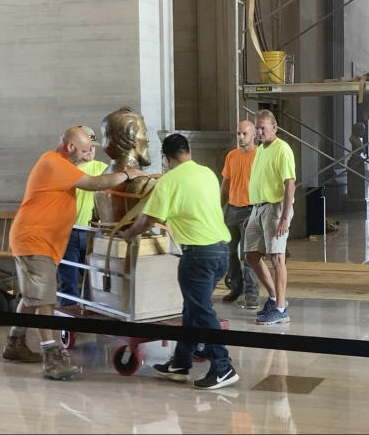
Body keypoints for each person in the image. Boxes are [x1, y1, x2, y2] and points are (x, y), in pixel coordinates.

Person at [3, 126, 146, 380]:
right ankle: (52, 358)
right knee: (45, 301)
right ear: (70, 147)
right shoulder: (53, 162)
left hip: (40, 241)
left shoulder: (60, 163)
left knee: (32, 298)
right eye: (83, 150)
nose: (87, 154)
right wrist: (127, 173)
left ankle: (15, 343)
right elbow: (94, 184)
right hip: (34, 241)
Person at [121, 133, 240, 390]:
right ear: (188, 151)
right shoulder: (207, 173)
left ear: (166, 158)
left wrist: (127, 234)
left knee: (202, 311)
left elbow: (148, 219)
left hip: (198, 254)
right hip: (221, 251)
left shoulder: (169, 181)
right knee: (192, 309)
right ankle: (180, 363)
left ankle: (223, 367)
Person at [245, 109, 296, 325]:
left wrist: (284, 217)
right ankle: (275, 297)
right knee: (251, 255)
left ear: (274, 127)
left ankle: (281, 309)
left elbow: (289, 184)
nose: (258, 132)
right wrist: (253, 211)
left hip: (275, 209)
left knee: (277, 258)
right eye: (256, 128)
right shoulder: (261, 150)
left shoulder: (282, 149)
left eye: (262, 128)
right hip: (258, 208)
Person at [57, 126, 108, 307]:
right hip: (66, 232)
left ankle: (89, 317)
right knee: (68, 280)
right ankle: (68, 326)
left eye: (94, 146)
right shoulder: (62, 168)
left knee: (93, 281)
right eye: (87, 147)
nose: (91, 150)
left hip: (92, 233)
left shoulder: (103, 168)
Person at [220, 120, 260, 309]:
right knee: (229, 251)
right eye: (238, 134)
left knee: (248, 254)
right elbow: (225, 183)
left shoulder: (260, 156)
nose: (241, 137)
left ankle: (252, 294)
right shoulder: (231, 156)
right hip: (232, 208)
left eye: (244, 134)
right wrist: (219, 208)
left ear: (253, 135)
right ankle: (236, 287)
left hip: (250, 209)